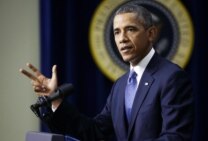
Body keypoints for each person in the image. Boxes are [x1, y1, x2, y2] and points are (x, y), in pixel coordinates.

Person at [20, 4, 193, 141]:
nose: (122, 38)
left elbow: (175, 137)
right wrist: (56, 99)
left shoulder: (171, 77)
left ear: (151, 33)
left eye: (130, 29)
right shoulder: (121, 84)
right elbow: (95, 132)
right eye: (117, 32)